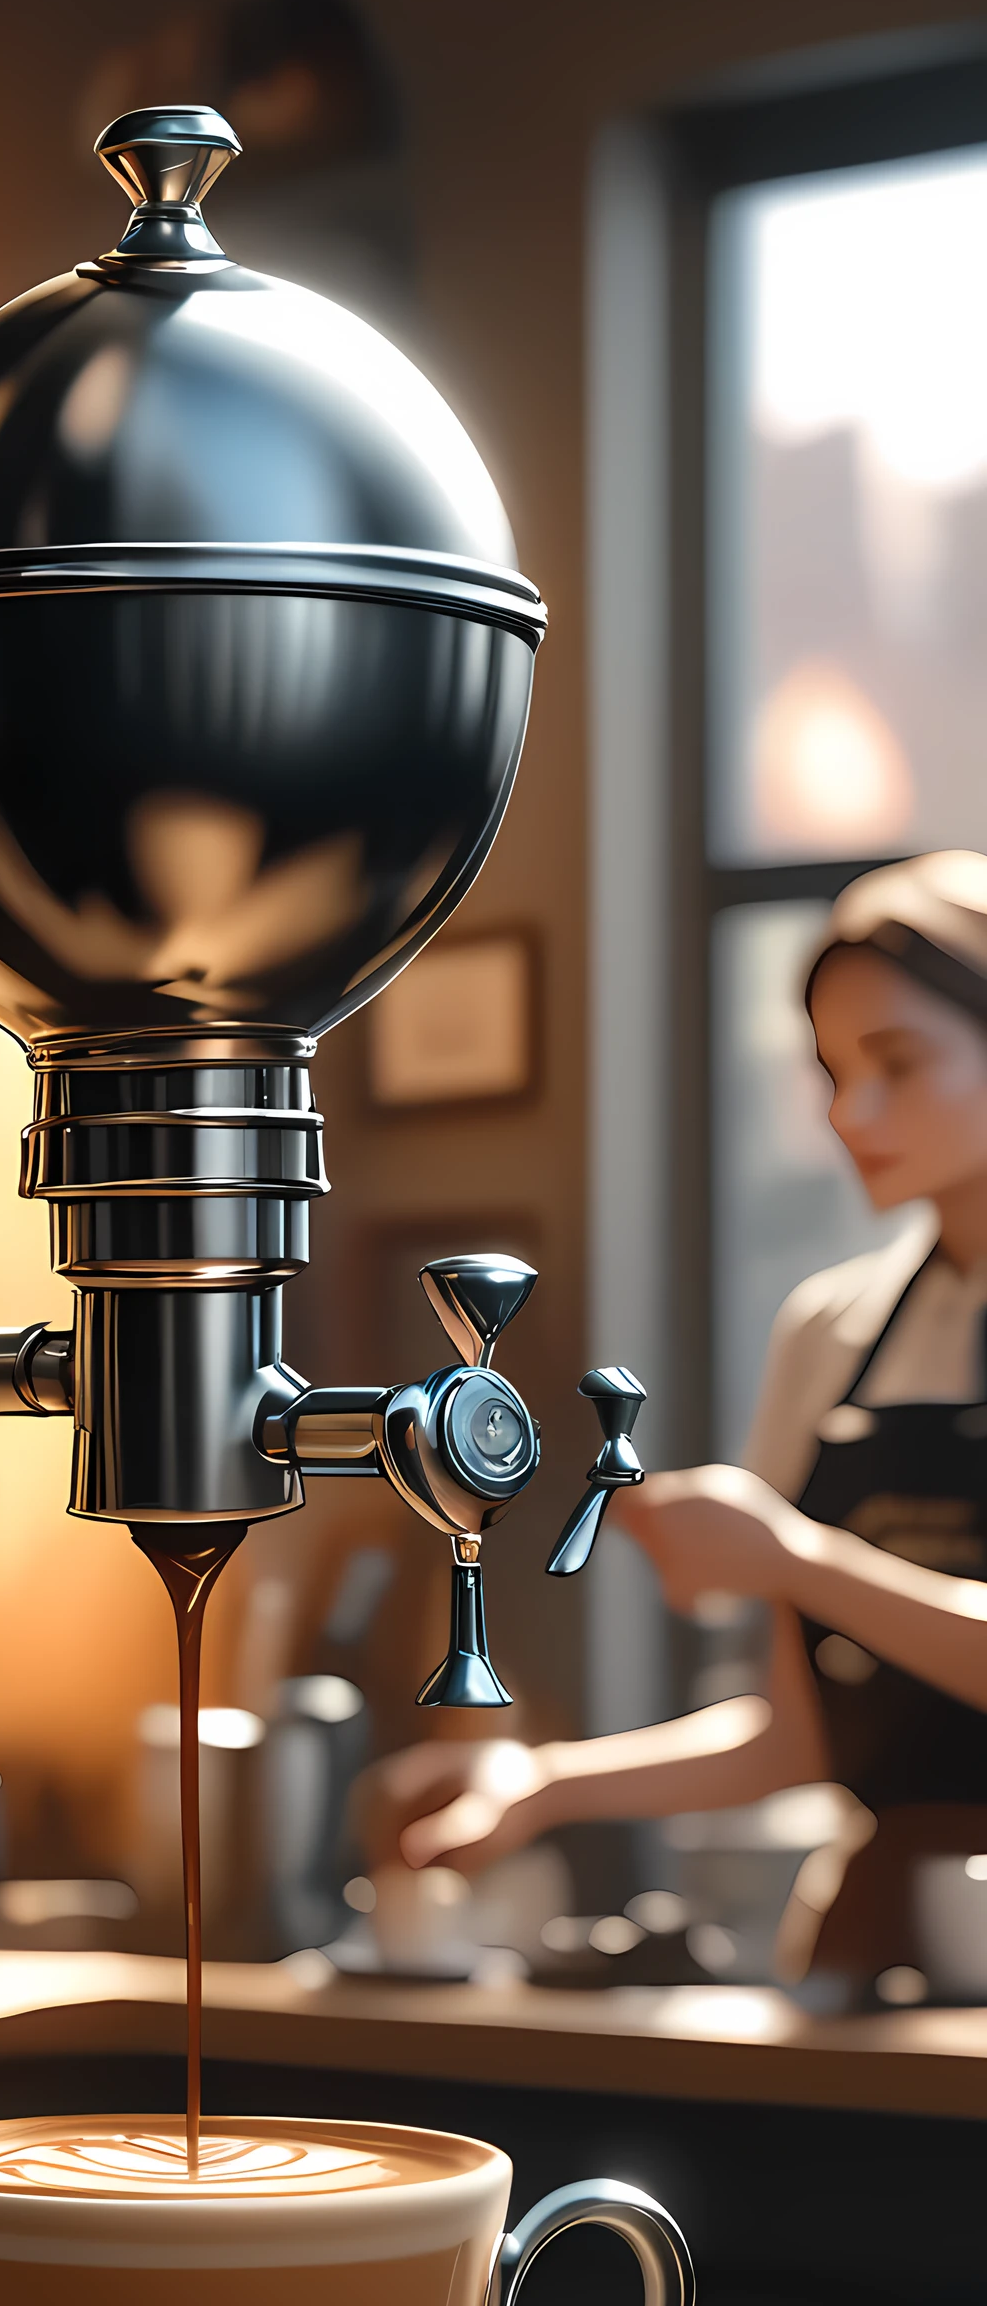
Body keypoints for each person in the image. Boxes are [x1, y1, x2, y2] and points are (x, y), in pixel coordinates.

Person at [379, 851, 987, 1985]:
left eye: (897, 1064)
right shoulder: (833, 1330)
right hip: (877, 1952)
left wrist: (795, 1558)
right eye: (829, 1070)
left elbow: (808, 1576)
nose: (849, 1112)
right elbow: (792, 1735)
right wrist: (540, 1783)